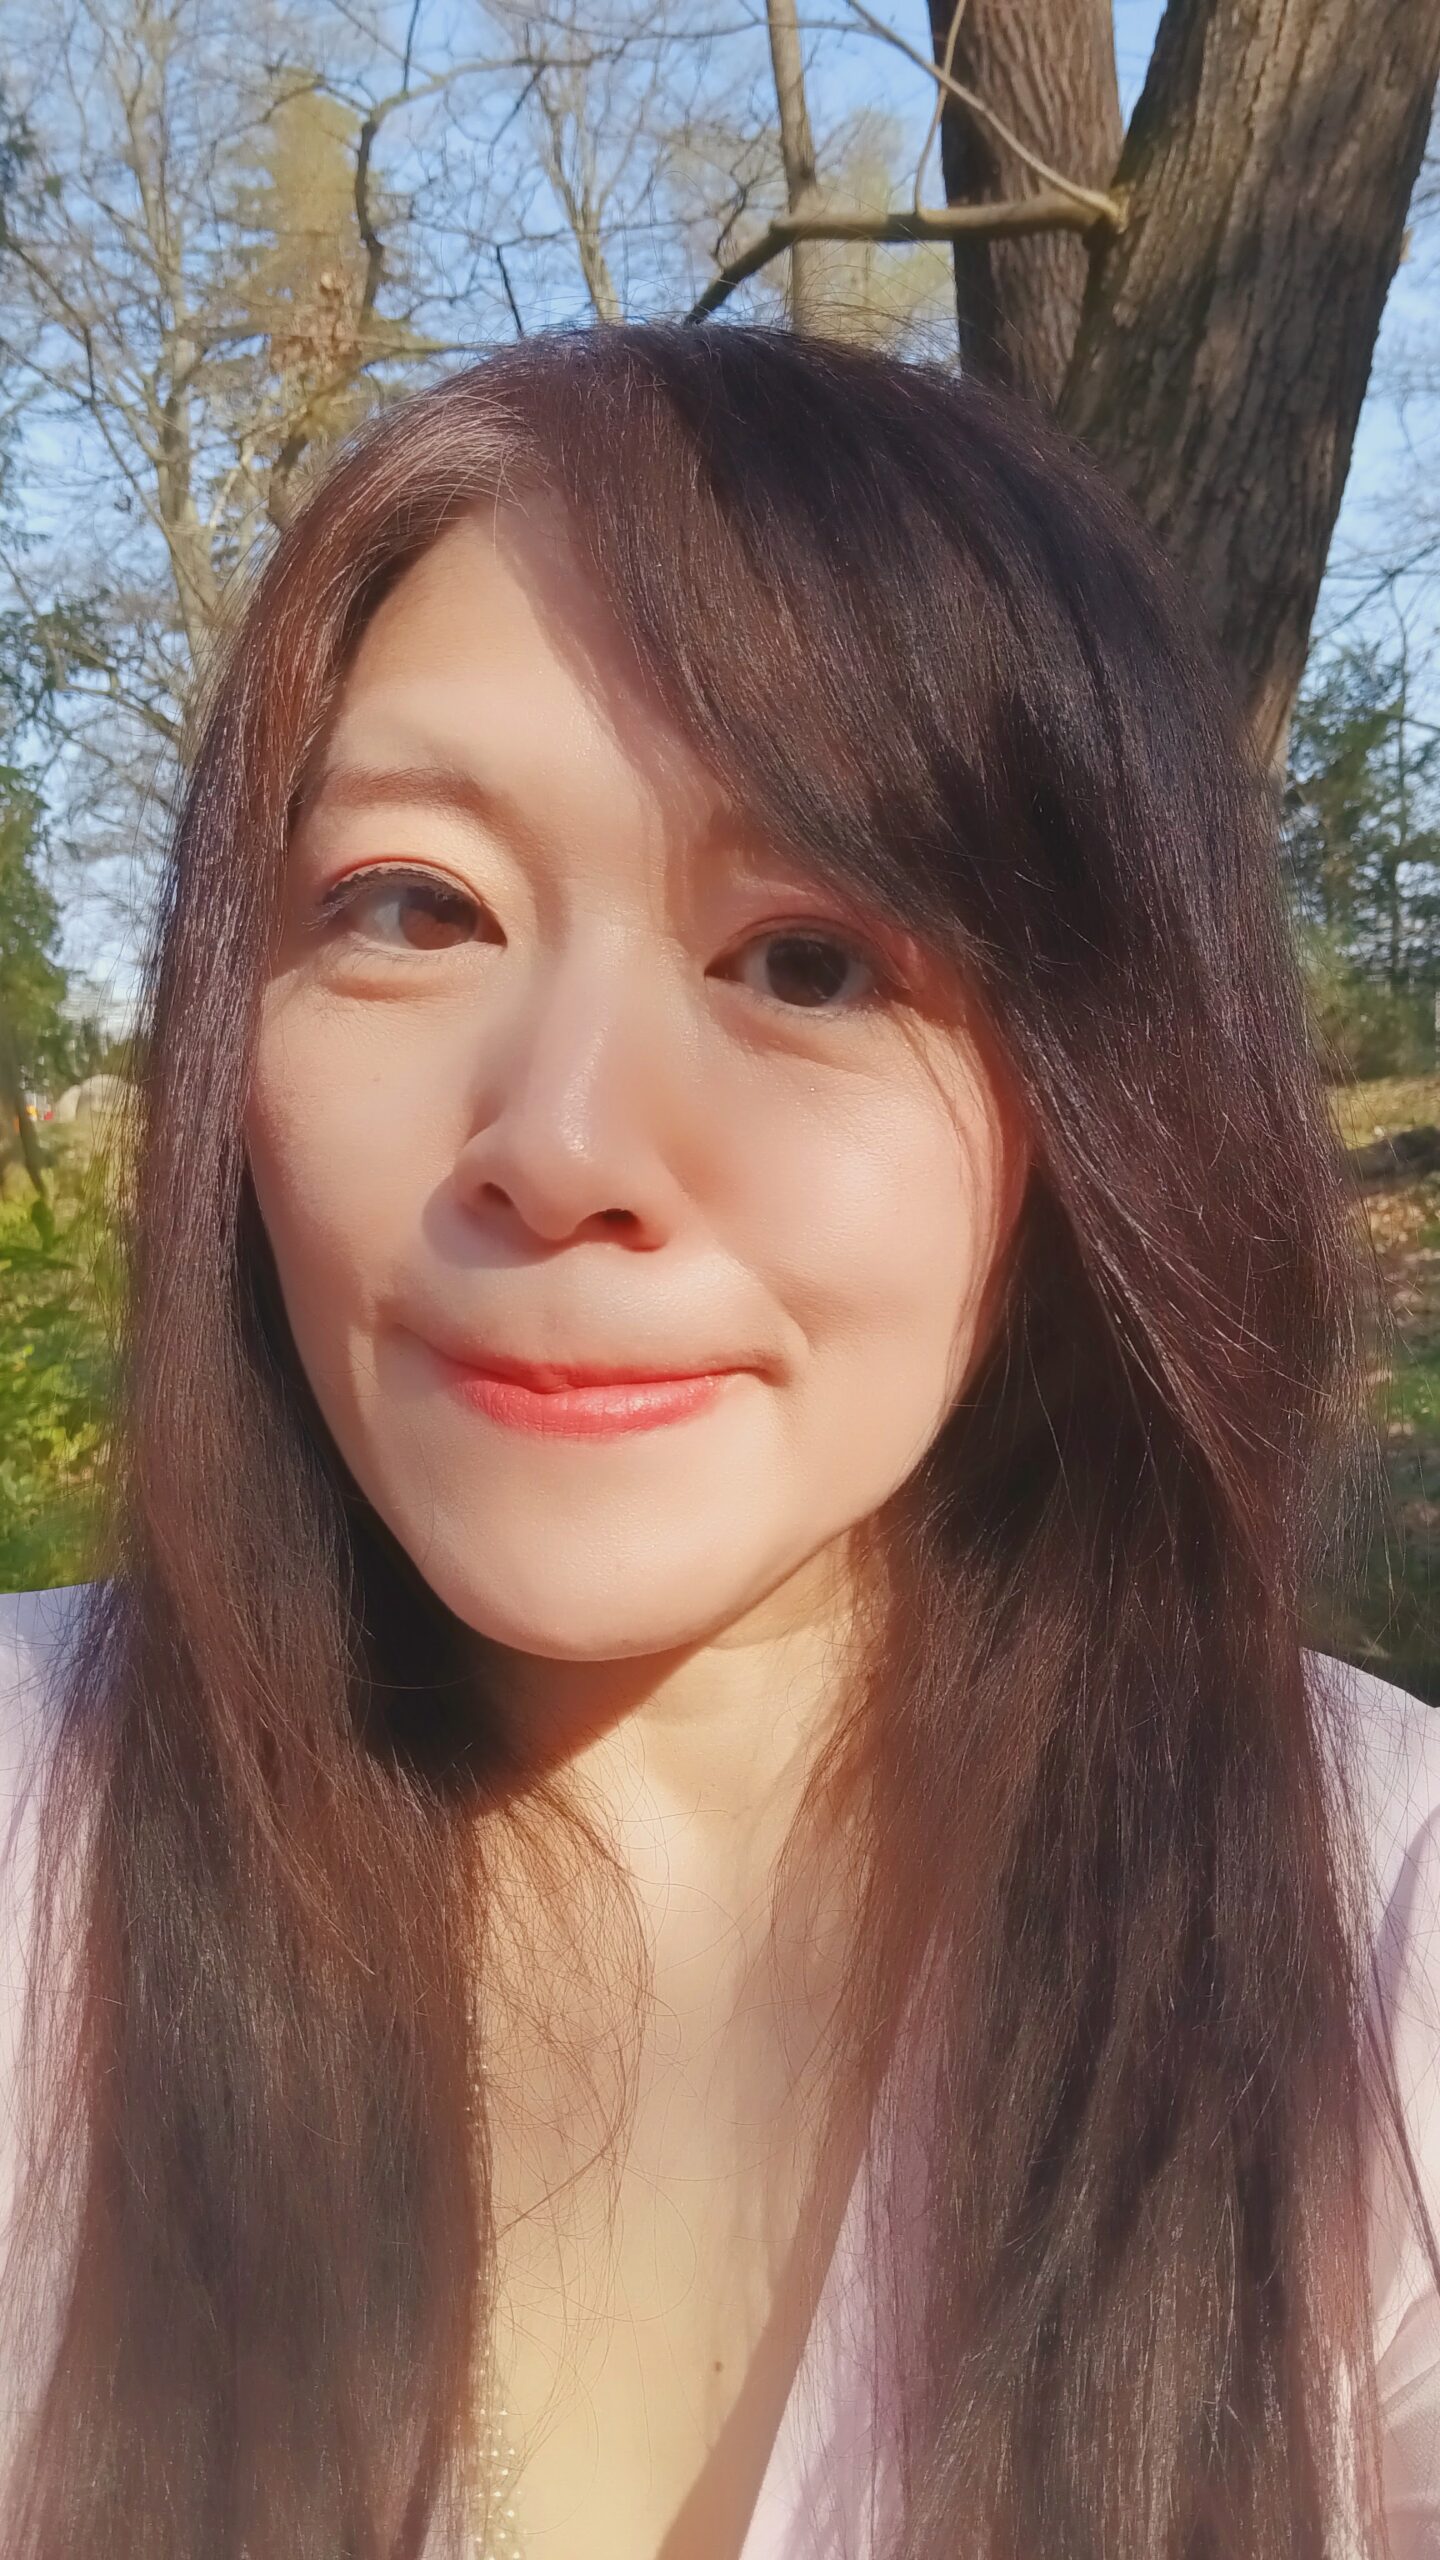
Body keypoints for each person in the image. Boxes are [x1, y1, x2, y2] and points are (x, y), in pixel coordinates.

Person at [1, 318, 1439, 2560]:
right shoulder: (39, 1839)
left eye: (810, 960)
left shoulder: (1388, 1952)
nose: (565, 1144)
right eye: (416, 906)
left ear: (1095, 1098)